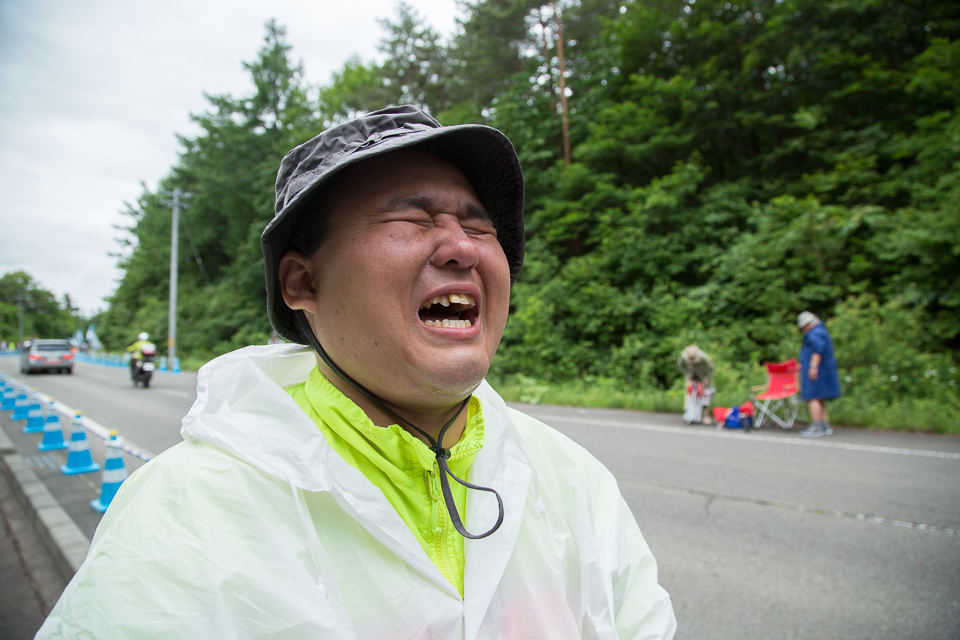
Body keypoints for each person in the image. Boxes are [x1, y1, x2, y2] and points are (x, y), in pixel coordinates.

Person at [37, 105, 676, 638]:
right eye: (414, 220)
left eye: (479, 226)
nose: (462, 248)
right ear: (302, 280)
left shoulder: (573, 482)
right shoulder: (188, 514)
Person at [797, 311, 841, 438]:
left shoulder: (815, 333)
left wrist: (812, 366)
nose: (803, 329)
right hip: (822, 370)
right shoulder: (821, 331)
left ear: (808, 323)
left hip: (816, 371)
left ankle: (817, 427)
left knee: (812, 397)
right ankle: (825, 426)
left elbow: (818, 349)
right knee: (820, 398)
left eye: (804, 326)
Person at [677, 344, 715, 425]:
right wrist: (687, 374)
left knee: (705, 396)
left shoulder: (704, 357)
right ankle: (689, 415)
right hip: (692, 376)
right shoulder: (683, 356)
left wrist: (706, 377)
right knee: (690, 395)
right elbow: (679, 366)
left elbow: (711, 368)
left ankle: (705, 415)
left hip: (703, 376)